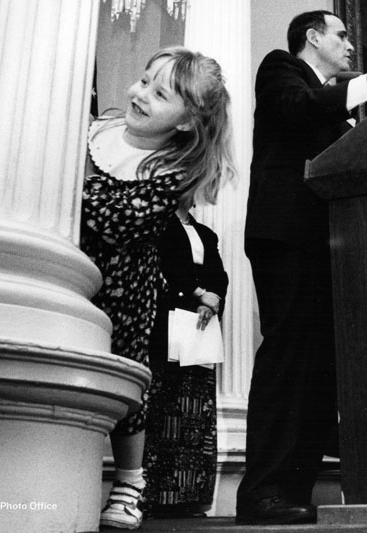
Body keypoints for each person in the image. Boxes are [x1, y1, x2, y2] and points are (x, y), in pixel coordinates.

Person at [238, 10, 367, 526]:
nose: (348, 44)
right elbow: (298, 110)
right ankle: (260, 493)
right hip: (286, 237)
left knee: (319, 375)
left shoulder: (335, 109)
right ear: (312, 38)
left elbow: (351, 150)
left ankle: (292, 491)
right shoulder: (280, 70)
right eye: (340, 35)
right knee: (288, 363)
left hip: (327, 246)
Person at [80, 46, 234, 530]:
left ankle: (129, 481)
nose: (140, 94)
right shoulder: (95, 131)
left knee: (128, 383)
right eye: (144, 80)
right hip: (73, 272)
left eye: (160, 92)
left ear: (186, 122)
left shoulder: (169, 172)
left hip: (126, 288)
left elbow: (113, 222)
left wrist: (79, 187)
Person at [142, 206, 228, 517]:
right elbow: (166, 265)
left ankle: (192, 496)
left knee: (197, 407)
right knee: (166, 402)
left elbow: (219, 274)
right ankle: (157, 495)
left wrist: (213, 299)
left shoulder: (206, 233)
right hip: (167, 322)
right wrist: (198, 292)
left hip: (199, 326)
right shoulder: (159, 225)